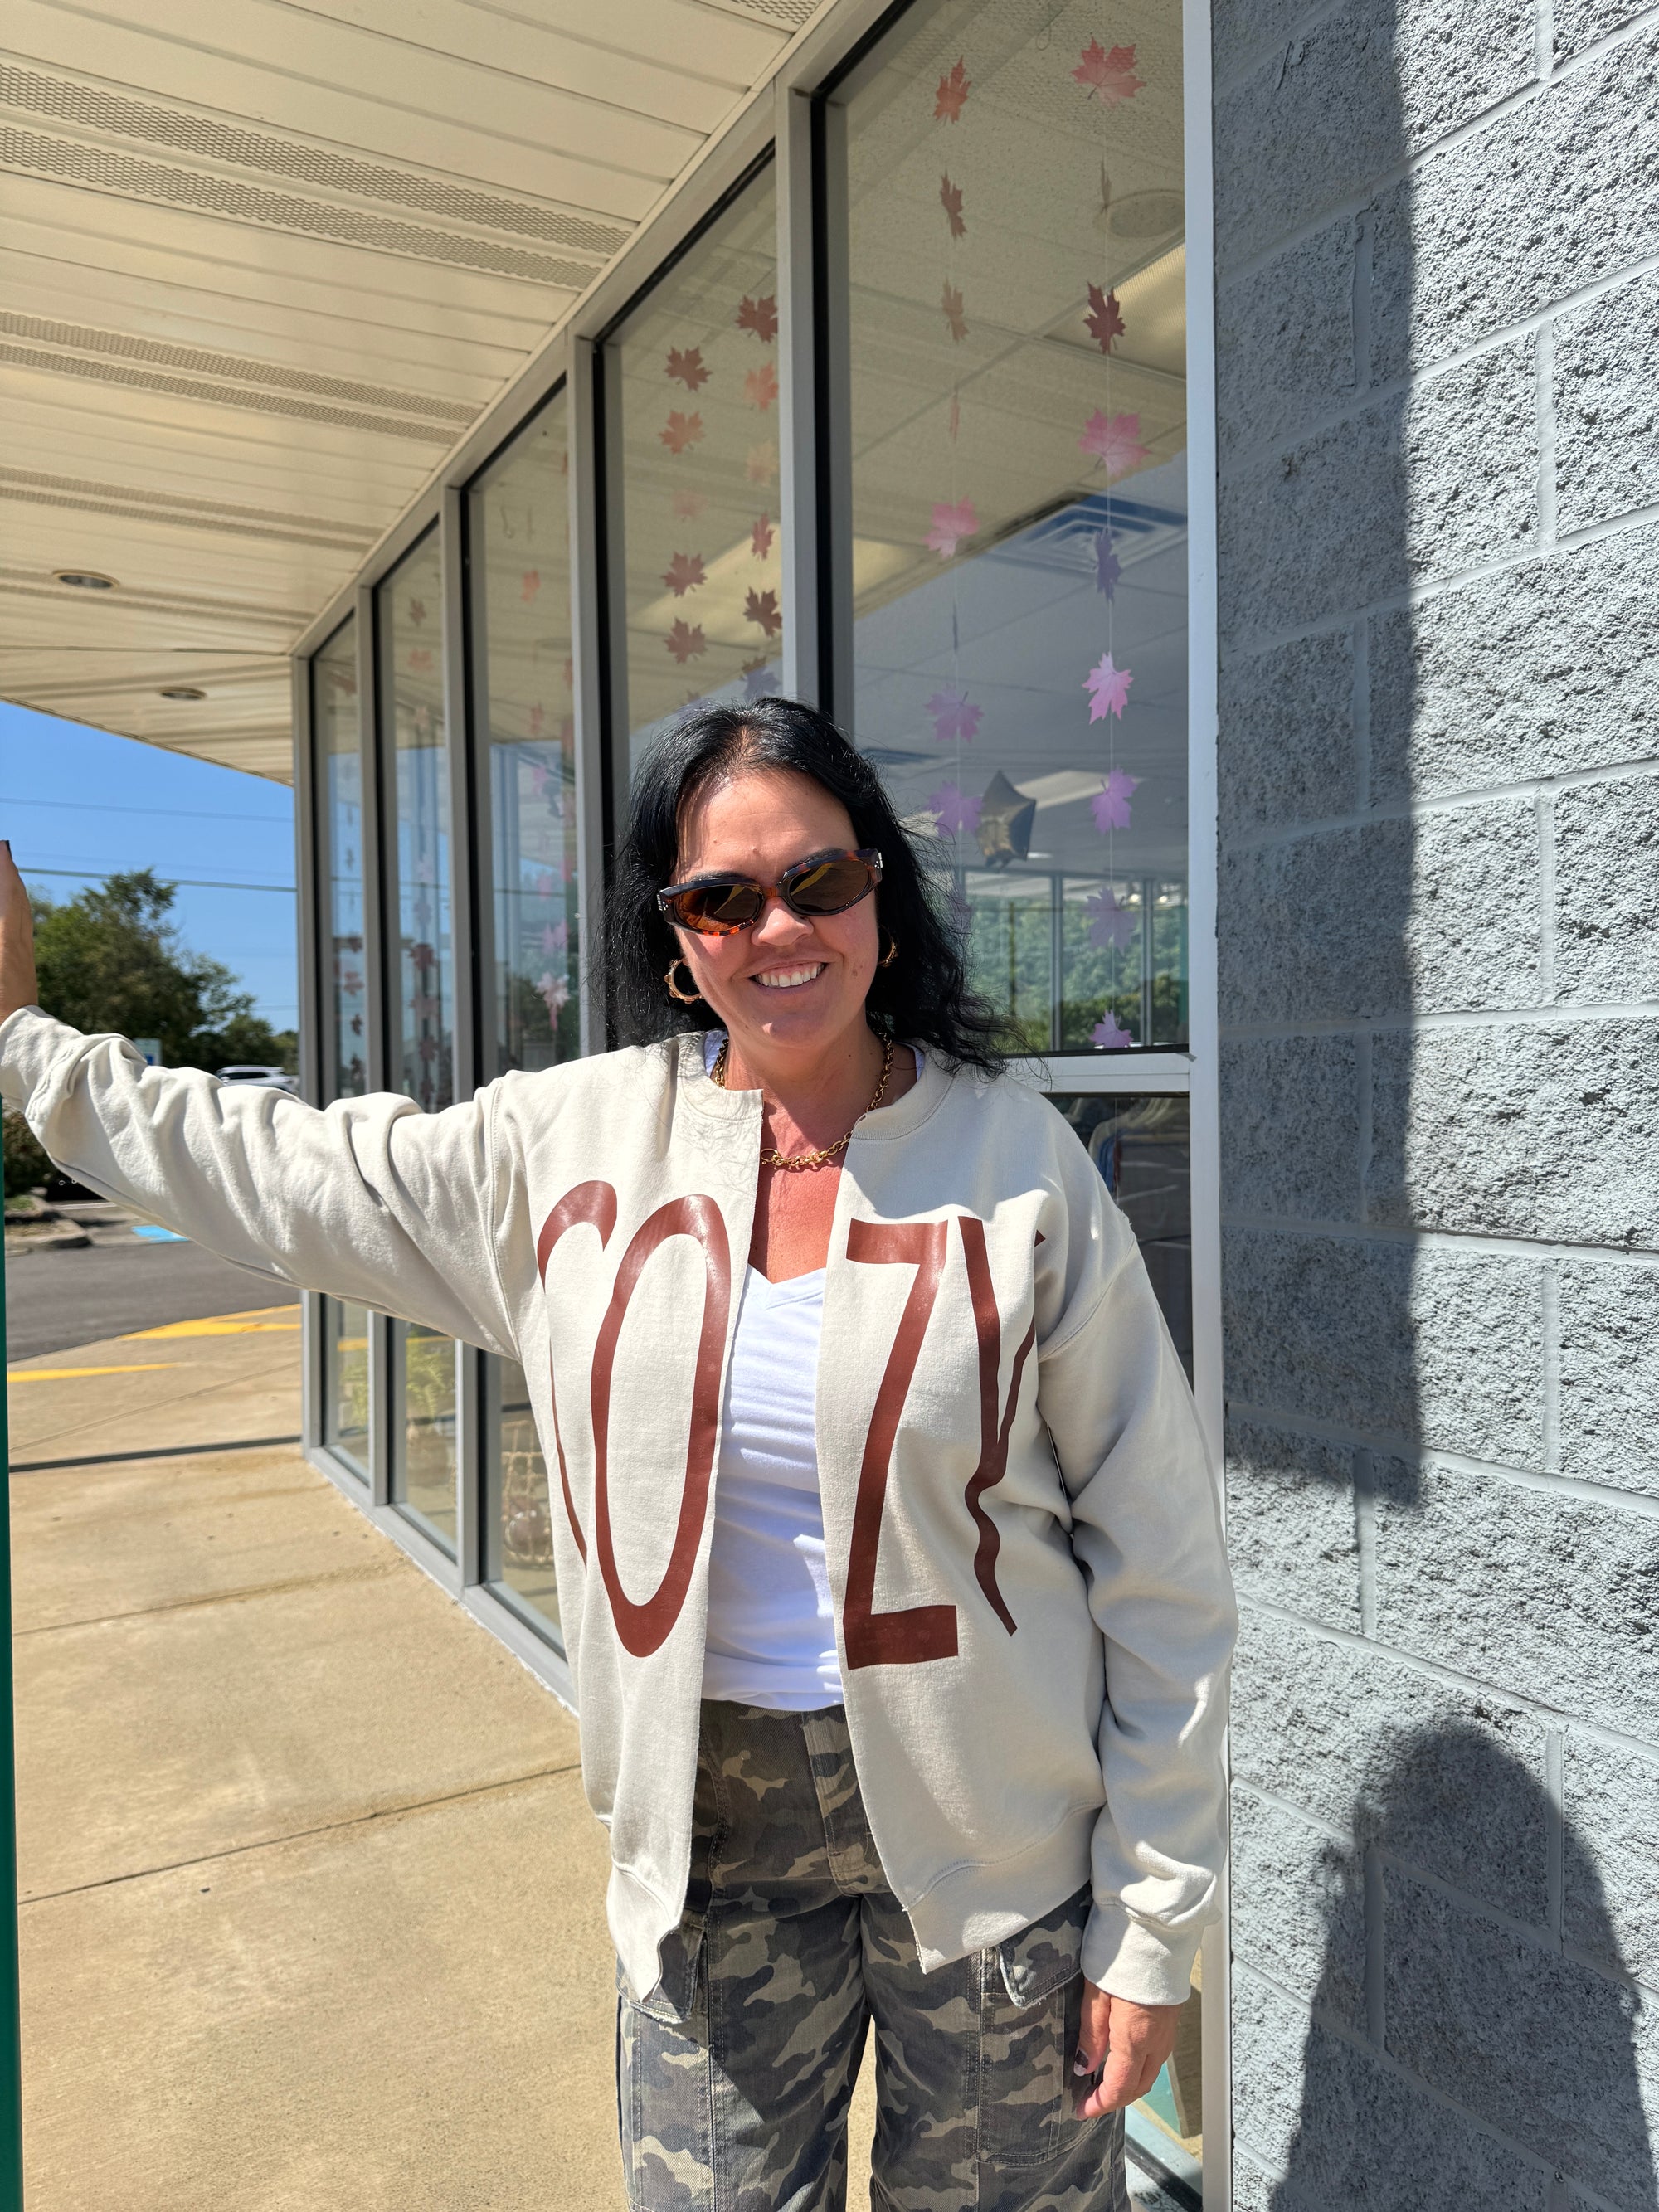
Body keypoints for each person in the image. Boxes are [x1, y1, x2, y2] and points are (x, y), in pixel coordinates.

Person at [0, 699, 1234, 2210]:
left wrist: (1152, 1927)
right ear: (675, 936)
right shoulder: (568, 1147)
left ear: (882, 900)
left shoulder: (1017, 1165)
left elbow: (1161, 1569)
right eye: (724, 897)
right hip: (709, 1865)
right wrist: (30, 1052)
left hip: (998, 1867)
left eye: (820, 883)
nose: (778, 927)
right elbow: (284, 1170)